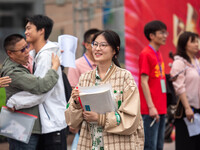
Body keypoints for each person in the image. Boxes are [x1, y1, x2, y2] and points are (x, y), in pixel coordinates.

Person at [65, 30, 144, 150]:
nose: (97, 48)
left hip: (119, 144)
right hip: (91, 144)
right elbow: (72, 122)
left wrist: (100, 118)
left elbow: (132, 118)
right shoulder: (85, 78)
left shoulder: (125, 77)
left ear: (115, 50)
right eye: (95, 44)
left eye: (103, 45)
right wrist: (76, 103)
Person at [6, 15, 67, 150]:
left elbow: (41, 91)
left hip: (52, 124)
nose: (25, 32)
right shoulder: (36, 54)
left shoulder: (47, 56)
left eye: (29, 28)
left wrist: (14, 102)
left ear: (41, 31)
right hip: (44, 124)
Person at [67, 28, 99, 149]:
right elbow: (72, 92)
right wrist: (73, 119)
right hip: (85, 117)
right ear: (85, 44)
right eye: (94, 43)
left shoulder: (104, 63)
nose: (97, 47)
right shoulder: (77, 64)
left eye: (101, 43)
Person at [138, 20, 168, 150]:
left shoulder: (158, 53)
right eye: (162, 32)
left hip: (160, 108)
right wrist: (151, 107)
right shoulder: (146, 54)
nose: (165, 35)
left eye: (165, 32)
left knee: (159, 146)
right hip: (151, 110)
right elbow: (143, 81)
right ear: (152, 35)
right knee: (150, 146)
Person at [170, 31, 200, 150]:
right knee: (186, 143)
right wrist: (187, 108)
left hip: (197, 109)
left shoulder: (196, 62)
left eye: (197, 41)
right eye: (193, 41)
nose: (197, 44)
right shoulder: (179, 62)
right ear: (184, 44)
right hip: (186, 109)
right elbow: (179, 87)